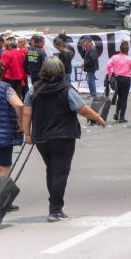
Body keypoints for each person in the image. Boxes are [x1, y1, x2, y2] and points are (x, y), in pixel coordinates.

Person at [22, 58, 105, 222]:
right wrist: (98, 118)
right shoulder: (66, 89)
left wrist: (27, 134)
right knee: (60, 172)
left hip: (41, 137)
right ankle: (55, 209)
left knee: (51, 170)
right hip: (63, 136)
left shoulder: (34, 89)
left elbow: (26, 113)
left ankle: (54, 202)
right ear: (60, 71)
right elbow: (82, 109)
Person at [106, 40, 131, 123]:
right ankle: (122, 117)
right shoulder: (130, 59)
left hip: (117, 78)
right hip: (126, 79)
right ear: (127, 50)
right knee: (124, 98)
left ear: (120, 49)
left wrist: (110, 74)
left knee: (119, 96)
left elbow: (108, 65)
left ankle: (116, 113)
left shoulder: (114, 57)